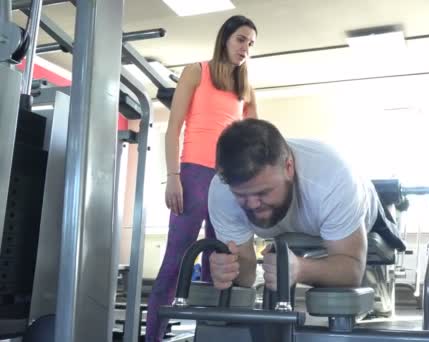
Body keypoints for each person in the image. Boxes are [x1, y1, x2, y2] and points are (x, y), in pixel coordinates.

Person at [208, 119, 404, 314]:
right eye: (241, 195)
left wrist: (300, 269)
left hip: (366, 207)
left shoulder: (332, 177)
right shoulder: (221, 192)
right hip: (311, 216)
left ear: (289, 167)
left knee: (385, 234)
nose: (252, 204)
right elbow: (247, 275)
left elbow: (351, 269)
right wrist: (229, 270)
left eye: (263, 193)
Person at [146, 15, 258, 342]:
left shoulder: (246, 89)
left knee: (219, 266)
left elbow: (254, 140)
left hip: (228, 181)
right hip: (194, 174)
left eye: (250, 44)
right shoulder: (197, 71)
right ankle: (153, 337)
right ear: (225, 38)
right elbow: (174, 127)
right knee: (177, 260)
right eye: (241, 40)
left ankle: (209, 337)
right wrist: (173, 176)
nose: (245, 49)